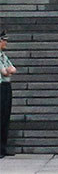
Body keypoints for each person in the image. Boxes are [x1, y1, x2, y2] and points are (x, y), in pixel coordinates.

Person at [0, 29, 16, 158]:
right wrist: (8, 70)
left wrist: (8, 70)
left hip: (6, 86)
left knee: (5, 117)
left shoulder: (4, 56)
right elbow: (5, 72)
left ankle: (3, 147)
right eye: (4, 40)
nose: (6, 42)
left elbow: (13, 69)